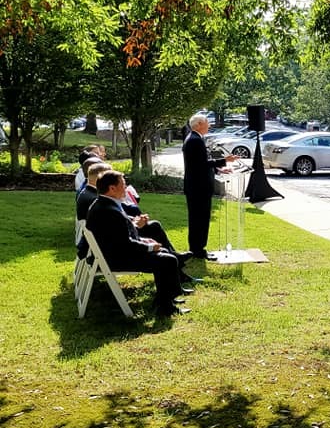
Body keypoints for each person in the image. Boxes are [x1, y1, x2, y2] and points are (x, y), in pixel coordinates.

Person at [85, 170, 188, 317]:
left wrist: (144, 240)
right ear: (112, 188)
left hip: (113, 253)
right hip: (116, 259)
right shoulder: (109, 210)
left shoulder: (103, 203)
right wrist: (150, 247)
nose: (126, 189)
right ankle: (165, 307)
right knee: (168, 260)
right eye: (123, 185)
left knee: (165, 253)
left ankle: (163, 300)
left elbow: (119, 237)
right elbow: (125, 244)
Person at [182, 114, 238, 259]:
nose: (209, 125)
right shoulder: (194, 140)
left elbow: (201, 162)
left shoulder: (195, 138)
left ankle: (197, 248)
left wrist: (219, 169)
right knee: (199, 219)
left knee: (198, 218)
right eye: (207, 123)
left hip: (197, 187)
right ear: (199, 124)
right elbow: (201, 164)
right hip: (198, 188)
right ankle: (198, 249)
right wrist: (224, 160)